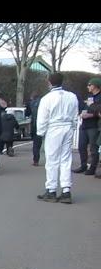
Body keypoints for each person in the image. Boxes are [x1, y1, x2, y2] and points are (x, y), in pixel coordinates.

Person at [36, 73, 79, 204]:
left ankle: (51, 190)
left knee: (52, 160)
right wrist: (73, 126)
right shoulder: (72, 96)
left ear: (49, 82)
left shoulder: (47, 98)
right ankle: (66, 190)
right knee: (66, 159)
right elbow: (75, 114)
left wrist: (41, 132)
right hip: (67, 127)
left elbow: (42, 118)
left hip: (54, 128)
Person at [73, 77, 101, 175]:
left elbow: (98, 111)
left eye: (90, 85)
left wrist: (91, 115)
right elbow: (86, 107)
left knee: (93, 148)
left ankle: (93, 168)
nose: (88, 86)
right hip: (84, 124)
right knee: (81, 146)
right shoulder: (90, 96)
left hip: (94, 125)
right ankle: (83, 165)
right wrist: (82, 113)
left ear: (95, 86)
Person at [26, 92, 42, 166]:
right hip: (45, 125)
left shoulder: (31, 103)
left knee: (36, 144)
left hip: (35, 126)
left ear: (32, 97)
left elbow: (27, 114)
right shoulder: (43, 102)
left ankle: (36, 160)